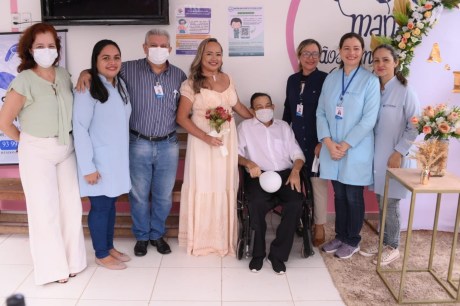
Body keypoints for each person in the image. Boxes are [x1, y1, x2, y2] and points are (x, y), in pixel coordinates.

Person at [77, 29, 187, 257]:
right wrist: (84, 72)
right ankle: (141, 237)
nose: (159, 49)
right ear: (145, 47)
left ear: (170, 48)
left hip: (168, 143)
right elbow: (103, 68)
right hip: (138, 143)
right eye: (153, 45)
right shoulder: (127, 69)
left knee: (163, 195)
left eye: (163, 45)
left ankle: (157, 234)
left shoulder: (179, 75)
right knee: (138, 195)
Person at [0, 23, 86, 284]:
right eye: (40, 46)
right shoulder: (24, 80)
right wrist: (26, 142)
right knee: (44, 211)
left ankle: (74, 262)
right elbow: (5, 122)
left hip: (66, 148)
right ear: (29, 49)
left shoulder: (63, 74)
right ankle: (53, 269)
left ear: (57, 49)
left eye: (51, 46)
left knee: (71, 208)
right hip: (37, 152)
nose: (46, 50)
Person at [176, 38, 252, 257]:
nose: (214, 58)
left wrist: (259, 118)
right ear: (201, 55)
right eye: (209, 53)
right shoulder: (192, 83)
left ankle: (223, 239)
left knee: (223, 185)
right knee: (205, 186)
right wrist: (206, 138)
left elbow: (237, 107)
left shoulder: (228, 78)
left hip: (226, 142)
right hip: (203, 144)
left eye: (218, 54)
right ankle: (201, 240)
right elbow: (182, 118)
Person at [316, 32, 380, 259]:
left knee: (353, 195)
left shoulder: (370, 81)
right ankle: (341, 235)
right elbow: (321, 112)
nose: (351, 53)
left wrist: (344, 145)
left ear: (362, 52)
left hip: (355, 149)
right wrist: (328, 143)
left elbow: (369, 119)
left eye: (356, 48)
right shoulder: (331, 79)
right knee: (339, 195)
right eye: (347, 48)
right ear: (340, 51)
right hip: (332, 148)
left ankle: (352, 240)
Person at [73, 40, 132, 270]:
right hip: (97, 162)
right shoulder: (87, 88)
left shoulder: (120, 85)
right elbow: (80, 127)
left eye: (116, 57)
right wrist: (87, 166)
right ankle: (100, 253)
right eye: (105, 57)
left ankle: (108, 246)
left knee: (111, 204)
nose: (112, 62)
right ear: (95, 61)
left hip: (116, 160)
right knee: (100, 207)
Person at [359, 44, 420, 265]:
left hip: (395, 159)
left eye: (385, 60)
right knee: (381, 201)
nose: (380, 65)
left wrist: (399, 151)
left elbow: (415, 126)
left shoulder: (406, 91)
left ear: (396, 63)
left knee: (391, 203)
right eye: (376, 61)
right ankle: (384, 240)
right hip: (376, 158)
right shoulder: (374, 88)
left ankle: (393, 246)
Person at [238, 92, 305, 274]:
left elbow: (297, 155)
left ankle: (278, 255)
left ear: (273, 107)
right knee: (256, 204)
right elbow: (236, 154)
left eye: (267, 105)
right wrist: (248, 163)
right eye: (259, 107)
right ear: (252, 110)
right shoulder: (244, 127)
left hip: (285, 175)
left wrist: (296, 171)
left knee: (295, 202)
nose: (264, 109)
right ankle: (258, 254)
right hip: (259, 175)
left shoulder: (283, 127)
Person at [282, 38, 329, 247]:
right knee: (295, 183)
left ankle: (319, 225)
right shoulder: (292, 80)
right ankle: (300, 219)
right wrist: (282, 137)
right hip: (295, 141)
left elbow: (328, 113)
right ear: (299, 56)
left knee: (316, 184)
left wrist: (323, 141)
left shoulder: (326, 79)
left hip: (317, 141)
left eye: (315, 54)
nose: (311, 58)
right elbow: (288, 110)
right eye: (307, 53)